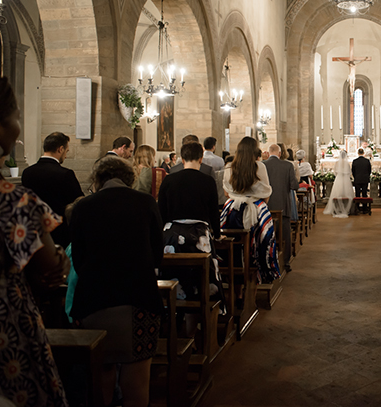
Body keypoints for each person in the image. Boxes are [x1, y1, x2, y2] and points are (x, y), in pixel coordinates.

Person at [0, 70, 70, 407]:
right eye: (15, 115)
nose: (18, 128)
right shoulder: (11, 200)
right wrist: (58, 256)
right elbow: (51, 267)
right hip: (2, 329)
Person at [69, 156, 163, 407]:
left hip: (93, 301)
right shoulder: (145, 202)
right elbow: (157, 254)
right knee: (137, 382)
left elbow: (77, 258)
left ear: (98, 180)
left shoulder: (82, 207)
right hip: (139, 300)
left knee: (100, 377)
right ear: (130, 178)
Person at [158, 141, 224, 305]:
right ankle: (203, 307)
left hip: (172, 235)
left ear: (181, 158)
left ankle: (171, 306)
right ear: (201, 159)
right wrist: (217, 234)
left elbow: (161, 211)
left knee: (173, 272)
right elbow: (213, 212)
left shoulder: (169, 180)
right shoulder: (207, 181)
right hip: (199, 234)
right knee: (202, 274)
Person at [221, 136, 279, 283]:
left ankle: (235, 283)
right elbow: (266, 193)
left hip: (233, 210)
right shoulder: (260, 167)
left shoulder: (229, 167)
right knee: (260, 244)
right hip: (257, 209)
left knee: (232, 245)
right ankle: (256, 279)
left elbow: (226, 193)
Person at [21, 131, 84, 248]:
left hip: (34, 229)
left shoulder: (27, 172)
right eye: (66, 151)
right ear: (60, 149)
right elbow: (78, 202)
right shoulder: (65, 174)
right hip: (59, 231)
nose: (66, 155)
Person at [264, 143, 299, 271]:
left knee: (267, 235)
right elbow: (294, 186)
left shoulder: (263, 165)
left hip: (266, 207)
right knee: (285, 234)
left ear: (268, 153)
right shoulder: (287, 165)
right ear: (280, 153)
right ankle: (286, 262)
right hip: (283, 206)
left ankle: (268, 263)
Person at [324, 149, 354, 218]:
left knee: (337, 193)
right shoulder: (347, 163)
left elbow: (335, 171)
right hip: (346, 179)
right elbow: (349, 171)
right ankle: (347, 209)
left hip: (339, 178)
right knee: (347, 193)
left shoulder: (337, 162)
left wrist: (338, 175)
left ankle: (336, 208)